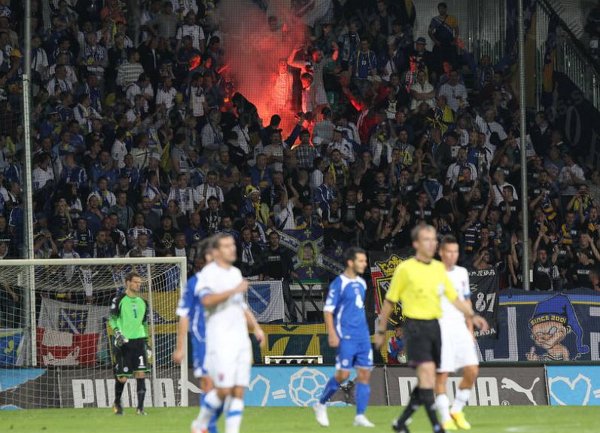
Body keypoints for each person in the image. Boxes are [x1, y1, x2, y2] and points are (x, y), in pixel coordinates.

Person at [375, 224, 487, 433]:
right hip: (415, 327)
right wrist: (381, 330)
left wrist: (473, 316)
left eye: (434, 239)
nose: (432, 243)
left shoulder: (437, 269)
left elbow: (454, 298)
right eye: (427, 239)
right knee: (427, 375)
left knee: (428, 379)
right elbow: (389, 302)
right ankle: (438, 426)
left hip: (435, 328)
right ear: (416, 244)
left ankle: (401, 423)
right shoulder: (405, 269)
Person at [192, 233, 265, 433]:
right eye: (226, 246)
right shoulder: (208, 274)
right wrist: (233, 290)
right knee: (224, 390)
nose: (232, 248)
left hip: (241, 340)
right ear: (215, 252)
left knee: (238, 391)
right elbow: (206, 301)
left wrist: (256, 328)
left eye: (233, 244)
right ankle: (201, 422)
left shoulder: (234, 273)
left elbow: (242, 307)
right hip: (220, 341)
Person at [313, 247, 375, 428]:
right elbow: (328, 310)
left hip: (362, 336)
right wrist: (332, 333)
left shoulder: (362, 284)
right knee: (344, 374)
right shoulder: (339, 283)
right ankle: (321, 404)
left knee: (364, 374)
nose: (365, 264)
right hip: (346, 336)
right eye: (361, 261)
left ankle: (360, 415)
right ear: (350, 262)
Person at [173, 236, 221, 433]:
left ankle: (203, 423)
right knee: (208, 384)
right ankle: (207, 427)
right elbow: (184, 316)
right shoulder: (193, 284)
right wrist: (180, 347)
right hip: (202, 341)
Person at [435, 235, 480, 431]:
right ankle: (445, 417)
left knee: (472, 369)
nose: (452, 255)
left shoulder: (462, 273)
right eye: (449, 252)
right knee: (443, 374)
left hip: (460, 327)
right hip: (440, 327)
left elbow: (467, 302)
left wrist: (470, 329)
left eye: (455, 252)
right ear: (441, 253)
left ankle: (457, 409)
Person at [109, 271, 151, 416]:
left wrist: (147, 342)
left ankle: (140, 408)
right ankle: (117, 402)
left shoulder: (143, 302)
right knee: (123, 377)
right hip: (123, 342)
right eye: (135, 282)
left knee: (141, 374)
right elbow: (112, 319)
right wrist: (117, 332)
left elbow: (144, 324)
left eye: (140, 282)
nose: (138, 285)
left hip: (139, 342)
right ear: (127, 282)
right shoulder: (119, 299)